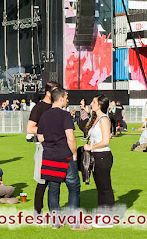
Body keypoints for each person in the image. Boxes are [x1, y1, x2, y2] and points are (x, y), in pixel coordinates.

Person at [37, 88, 89, 230]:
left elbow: (40, 136)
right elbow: (71, 138)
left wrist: (49, 145)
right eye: (66, 97)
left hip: (49, 157)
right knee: (73, 188)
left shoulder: (44, 116)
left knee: (53, 189)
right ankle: (75, 223)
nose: (67, 99)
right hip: (64, 156)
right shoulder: (65, 115)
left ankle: (56, 222)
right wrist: (74, 154)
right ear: (60, 98)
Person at [26, 81, 59, 215]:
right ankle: (37, 213)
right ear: (48, 93)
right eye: (56, 91)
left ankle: (54, 213)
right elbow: (29, 128)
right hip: (44, 148)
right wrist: (46, 131)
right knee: (42, 182)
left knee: (55, 183)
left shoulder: (57, 106)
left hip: (57, 148)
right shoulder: (39, 107)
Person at [83, 95, 114, 227]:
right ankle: (102, 215)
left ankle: (108, 219)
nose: (91, 103)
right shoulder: (95, 119)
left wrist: (91, 147)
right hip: (96, 156)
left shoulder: (104, 119)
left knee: (105, 187)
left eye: (94, 102)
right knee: (100, 187)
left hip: (103, 156)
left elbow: (106, 141)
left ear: (100, 104)